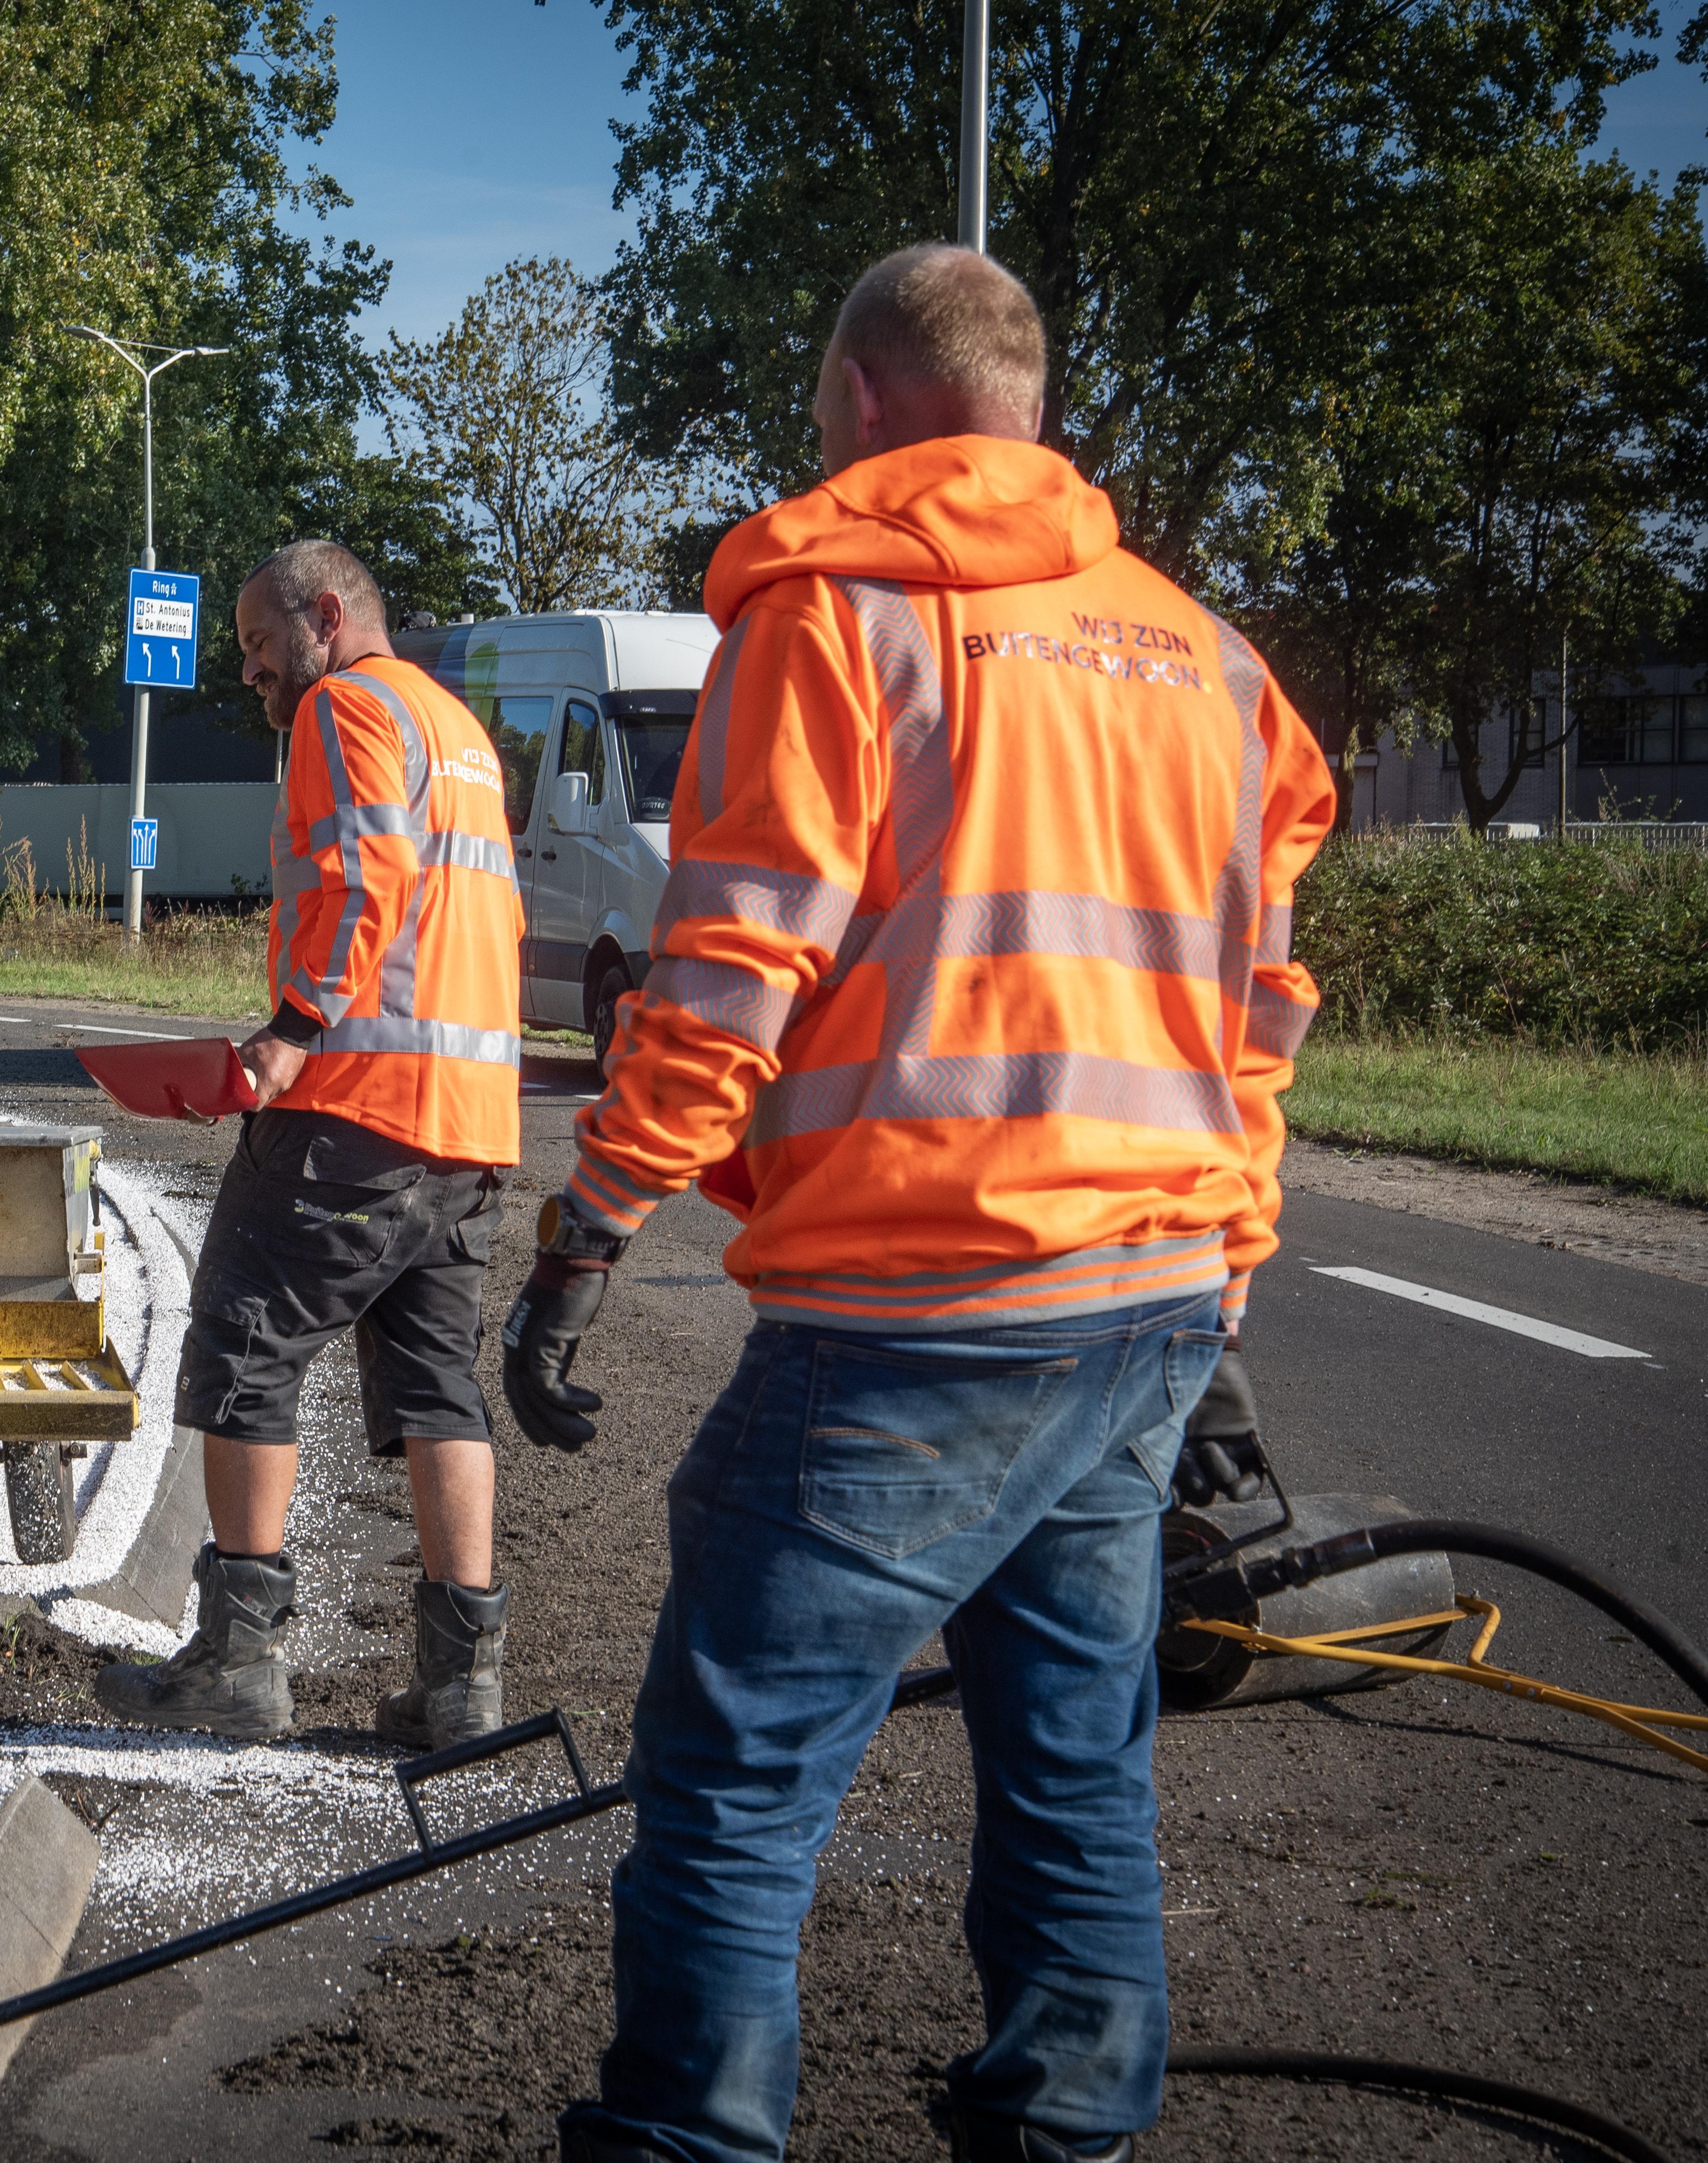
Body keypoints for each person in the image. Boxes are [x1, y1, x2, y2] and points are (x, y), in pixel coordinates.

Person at [502, 244, 1332, 2163]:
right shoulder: (1212, 665)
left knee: (731, 1779)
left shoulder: (839, 618)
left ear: (862, 401)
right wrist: (1226, 1267)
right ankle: (1062, 2128)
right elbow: (1255, 1007)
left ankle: (688, 2139)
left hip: (913, 1314)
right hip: (1143, 1300)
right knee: (1072, 1767)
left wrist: (591, 1224)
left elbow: (727, 971)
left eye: (816, 413)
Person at [93, 540, 527, 1748]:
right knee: (441, 1393)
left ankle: (239, 1661)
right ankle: (462, 1684)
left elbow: (360, 874)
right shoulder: (457, 729)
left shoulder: (344, 707)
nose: (247, 671)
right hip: (468, 1128)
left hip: (352, 1110)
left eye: (256, 642)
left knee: (241, 1339)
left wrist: (290, 1028)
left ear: (325, 618)